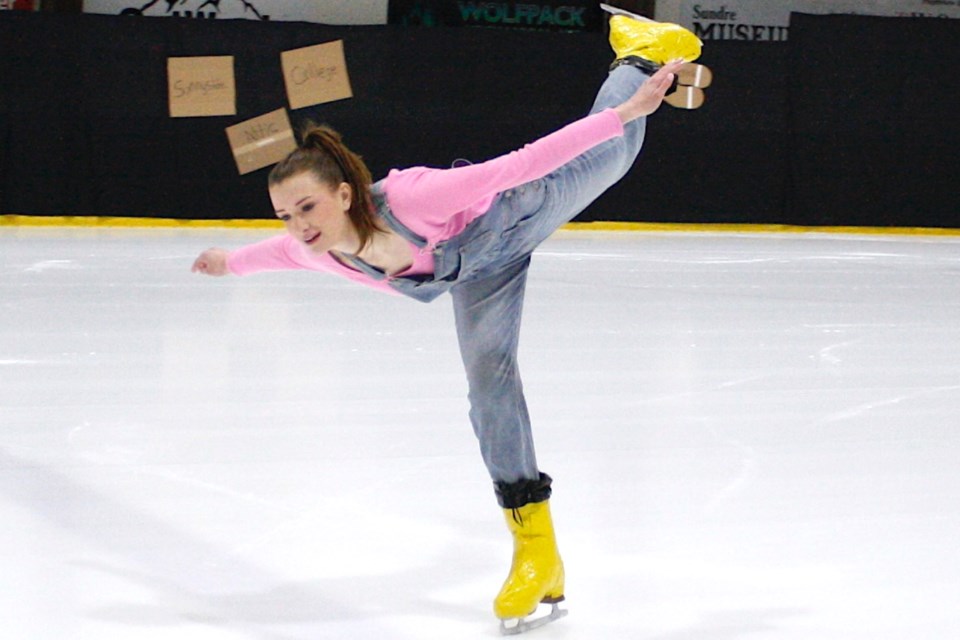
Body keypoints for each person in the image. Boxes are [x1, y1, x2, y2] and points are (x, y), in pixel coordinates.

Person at [192, 9, 703, 634]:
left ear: (344, 195)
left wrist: (628, 110)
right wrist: (226, 263)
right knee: (489, 389)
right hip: (480, 275)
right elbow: (268, 256)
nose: (298, 225)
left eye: (307, 206)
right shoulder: (318, 250)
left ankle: (636, 57)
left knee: (614, 157)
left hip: (514, 216)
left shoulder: (413, 197)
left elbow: (521, 165)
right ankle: (537, 552)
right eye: (284, 214)